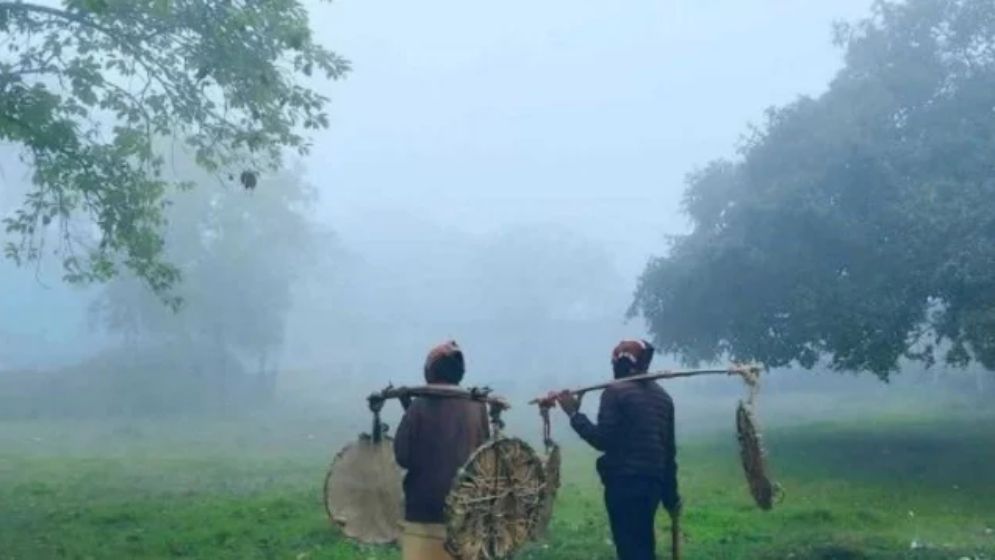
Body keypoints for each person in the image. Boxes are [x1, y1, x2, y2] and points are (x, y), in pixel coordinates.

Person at [555, 339, 681, 560]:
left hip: (624, 483)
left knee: (630, 549)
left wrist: (574, 415)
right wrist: (671, 497)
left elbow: (603, 440)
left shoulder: (615, 392)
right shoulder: (663, 398)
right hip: (653, 484)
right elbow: (668, 454)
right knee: (643, 543)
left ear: (620, 362)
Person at [394, 340, 490, 560]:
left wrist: (409, 412)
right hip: (467, 508)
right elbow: (485, 454)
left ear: (430, 371)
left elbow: (403, 456)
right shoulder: (478, 406)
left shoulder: (419, 406)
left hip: (425, 511)